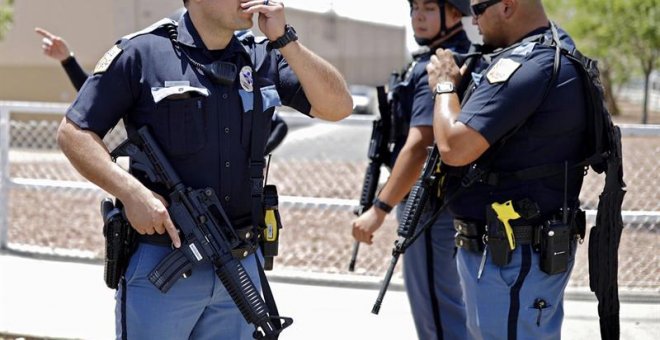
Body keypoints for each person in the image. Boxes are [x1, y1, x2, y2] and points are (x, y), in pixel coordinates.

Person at [56, 0, 353, 338]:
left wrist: (285, 39)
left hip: (240, 265)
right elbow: (74, 132)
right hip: (163, 264)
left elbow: (339, 106)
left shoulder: (263, 56)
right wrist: (131, 191)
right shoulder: (143, 53)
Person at [426, 0, 588, 338]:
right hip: (510, 255)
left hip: (513, 260)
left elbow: (454, 148)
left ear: (508, 6)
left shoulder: (530, 64)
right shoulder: (550, 52)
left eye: (478, 9)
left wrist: (444, 86)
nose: (474, 20)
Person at [351, 1, 473, 338]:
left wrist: (379, 208)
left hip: (430, 204)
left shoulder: (436, 66)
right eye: (414, 7)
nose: (417, 15)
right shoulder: (459, 58)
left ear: (453, 13)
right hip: (448, 202)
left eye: (428, 8)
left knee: (437, 309)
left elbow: (420, 146)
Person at [36, 21, 290, 154]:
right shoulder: (153, 49)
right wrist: (68, 60)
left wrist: (249, 157)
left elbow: (281, 125)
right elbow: (93, 106)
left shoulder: (251, 55)